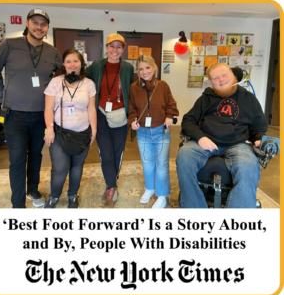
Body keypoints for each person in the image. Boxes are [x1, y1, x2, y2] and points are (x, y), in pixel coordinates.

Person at [0, 8, 62, 208]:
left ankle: (33, 189)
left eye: (43, 24)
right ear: (27, 23)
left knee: (36, 155)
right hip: (15, 114)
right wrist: (0, 97)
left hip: (42, 114)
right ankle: (18, 204)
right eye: (35, 22)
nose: (39, 27)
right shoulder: (9, 45)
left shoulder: (52, 52)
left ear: (47, 28)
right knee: (17, 159)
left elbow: (63, 76)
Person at [176, 63, 268, 208]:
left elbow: (259, 127)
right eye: (215, 78)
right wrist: (201, 138)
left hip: (237, 143)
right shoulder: (206, 98)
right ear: (211, 82)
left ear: (233, 75)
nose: (221, 80)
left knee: (249, 165)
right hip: (206, 140)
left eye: (224, 75)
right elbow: (188, 120)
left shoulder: (249, 99)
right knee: (184, 156)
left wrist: (258, 138)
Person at [43, 49, 96, 208]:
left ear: (82, 63)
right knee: (59, 169)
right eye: (68, 61)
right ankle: (54, 196)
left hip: (82, 133)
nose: (72, 65)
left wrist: (94, 130)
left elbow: (91, 109)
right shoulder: (55, 82)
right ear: (63, 64)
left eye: (76, 61)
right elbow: (48, 108)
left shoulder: (89, 84)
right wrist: (49, 129)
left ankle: (73, 195)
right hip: (59, 133)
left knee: (77, 167)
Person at [87, 33, 134, 208]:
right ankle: (111, 186)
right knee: (105, 153)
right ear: (106, 48)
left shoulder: (128, 68)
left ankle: (113, 179)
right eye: (111, 46)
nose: (115, 50)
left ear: (123, 49)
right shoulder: (96, 66)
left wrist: (132, 115)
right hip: (100, 114)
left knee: (117, 152)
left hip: (120, 115)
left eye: (119, 47)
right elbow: (87, 86)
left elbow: (132, 91)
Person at [128, 55, 179, 208]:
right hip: (143, 132)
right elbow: (132, 109)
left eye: (147, 67)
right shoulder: (134, 87)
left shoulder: (163, 85)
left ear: (154, 67)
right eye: (141, 68)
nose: (144, 72)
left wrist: (170, 116)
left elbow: (171, 104)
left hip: (161, 132)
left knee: (162, 165)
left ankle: (162, 196)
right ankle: (150, 188)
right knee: (147, 163)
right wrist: (133, 120)